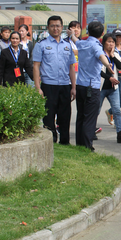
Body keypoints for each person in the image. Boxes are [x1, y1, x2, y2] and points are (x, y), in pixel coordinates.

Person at [66, 21, 115, 149]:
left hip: (80, 85)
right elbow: (101, 56)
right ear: (102, 34)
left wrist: (71, 34)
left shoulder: (82, 43)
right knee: (90, 118)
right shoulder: (96, 46)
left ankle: (80, 144)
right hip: (91, 87)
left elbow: (75, 40)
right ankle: (88, 146)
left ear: (87, 32)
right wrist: (108, 65)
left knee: (81, 116)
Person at [33, 15, 77, 145]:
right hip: (48, 85)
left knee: (65, 115)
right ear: (48, 28)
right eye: (52, 26)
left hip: (64, 85)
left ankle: (64, 141)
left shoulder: (67, 45)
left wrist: (73, 87)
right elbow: (36, 66)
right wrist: (37, 87)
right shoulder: (41, 44)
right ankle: (51, 140)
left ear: (62, 27)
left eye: (58, 26)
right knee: (48, 115)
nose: (55, 28)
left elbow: (71, 67)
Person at [99, 33, 121, 143]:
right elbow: (98, 71)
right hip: (101, 88)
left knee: (116, 110)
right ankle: (91, 131)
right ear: (104, 43)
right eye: (109, 42)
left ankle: (119, 133)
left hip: (113, 88)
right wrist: (109, 78)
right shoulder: (100, 54)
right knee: (96, 110)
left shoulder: (115, 54)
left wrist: (112, 55)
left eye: (113, 42)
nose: (111, 44)